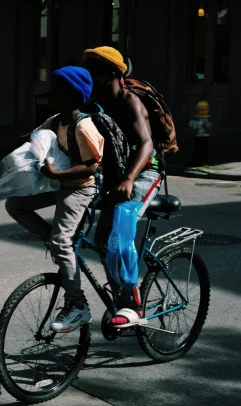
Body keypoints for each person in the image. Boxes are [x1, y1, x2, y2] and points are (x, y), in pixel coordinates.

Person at [0, 66, 103, 333]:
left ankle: (77, 305)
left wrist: (57, 172)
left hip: (80, 189)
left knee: (62, 241)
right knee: (15, 205)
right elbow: (27, 138)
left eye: (56, 92)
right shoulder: (55, 120)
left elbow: (91, 167)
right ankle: (54, 240)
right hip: (58, 184)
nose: (49, 96)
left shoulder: (84, 126)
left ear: (73, 96)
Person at [83, 46, 163, 328]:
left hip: (144, 172)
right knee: (103, 240)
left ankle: (132, 303)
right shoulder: (95, 102)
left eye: (96, 72)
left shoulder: (131, 102)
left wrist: (129, 178)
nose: (90, 76)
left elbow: (146, 143)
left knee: (121, 227)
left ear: (114, 75)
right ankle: (120, 293)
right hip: (117, 176)